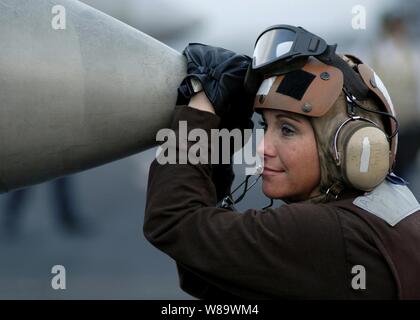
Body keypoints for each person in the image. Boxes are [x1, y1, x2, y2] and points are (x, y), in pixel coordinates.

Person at [144, 25, 420, 299]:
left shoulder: (327, 231)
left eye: (287, 129)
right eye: (265, 126)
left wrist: (201, 103)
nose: (262, 148)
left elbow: (173, 220)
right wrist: (215, 145)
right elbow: (207, 271)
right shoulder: (386, 209)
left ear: (349, 144)